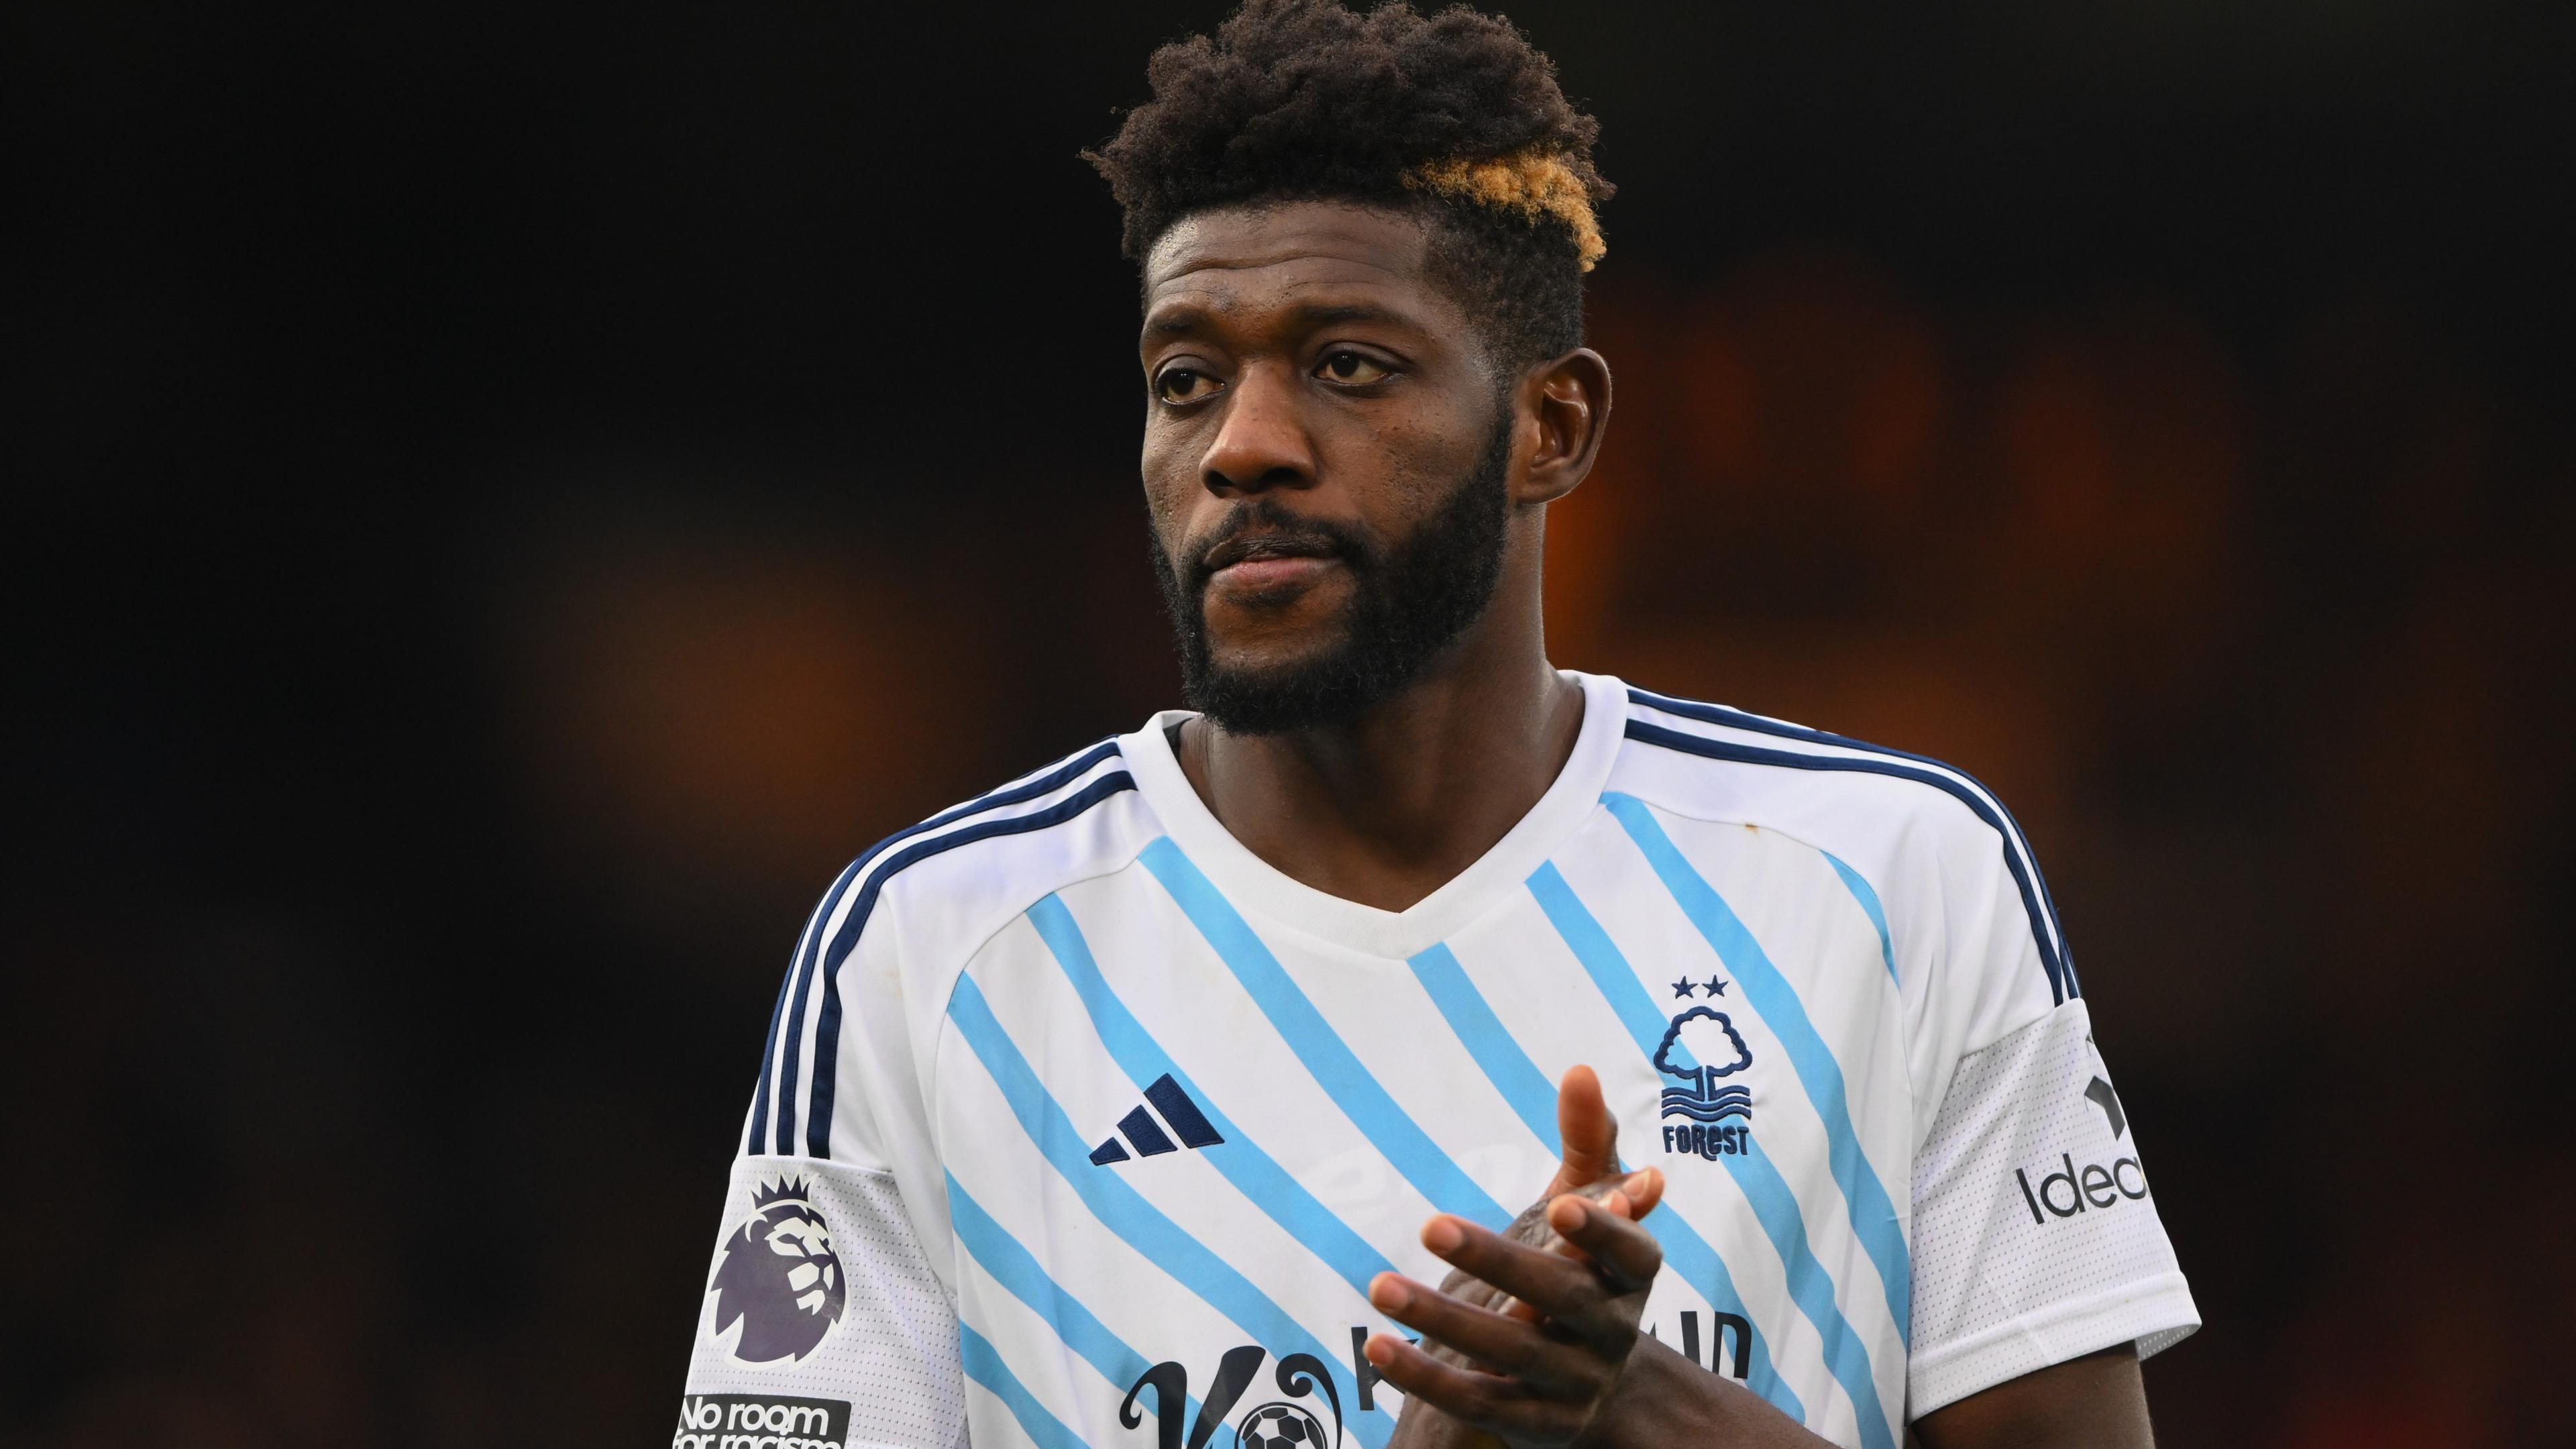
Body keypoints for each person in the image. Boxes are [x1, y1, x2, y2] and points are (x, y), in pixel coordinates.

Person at [672, 3, 2198, 1445]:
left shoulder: (1896, 883)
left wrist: (1647, 1416)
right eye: (1186, 379)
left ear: (1554, 426)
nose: (1243, 448)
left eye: (1347, 366)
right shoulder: (931, 952)